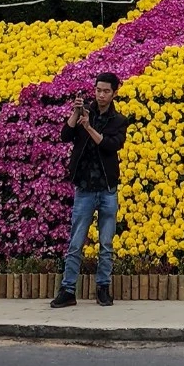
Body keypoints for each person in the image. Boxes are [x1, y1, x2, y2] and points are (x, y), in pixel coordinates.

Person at [52, 72, 128, 308]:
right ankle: (68, 290)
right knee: (76, 242)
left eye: (106, 91)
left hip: (107, 188)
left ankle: (103, 288)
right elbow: (65, 136)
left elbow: (110, 145)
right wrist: (76, 114)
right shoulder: (85, 112)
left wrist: (89, 127)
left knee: (106, 243)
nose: (101, 94)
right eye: (98, 90)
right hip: (84, 188)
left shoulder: (119, 120)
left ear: (115, 93)